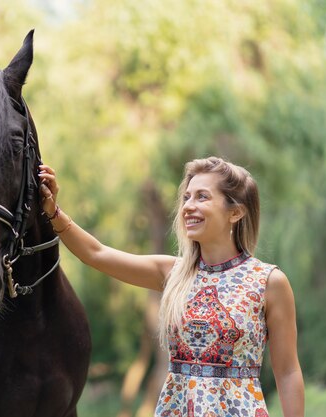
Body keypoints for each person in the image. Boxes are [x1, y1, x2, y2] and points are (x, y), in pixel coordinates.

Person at [38, 156, 304, 417]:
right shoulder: (173, 273)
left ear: (235, 212)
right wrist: (53, 212)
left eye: (202, 196)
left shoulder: (268, 282)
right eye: (187, 197)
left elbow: (288, 371)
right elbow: (95, 254)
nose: (188, 206)